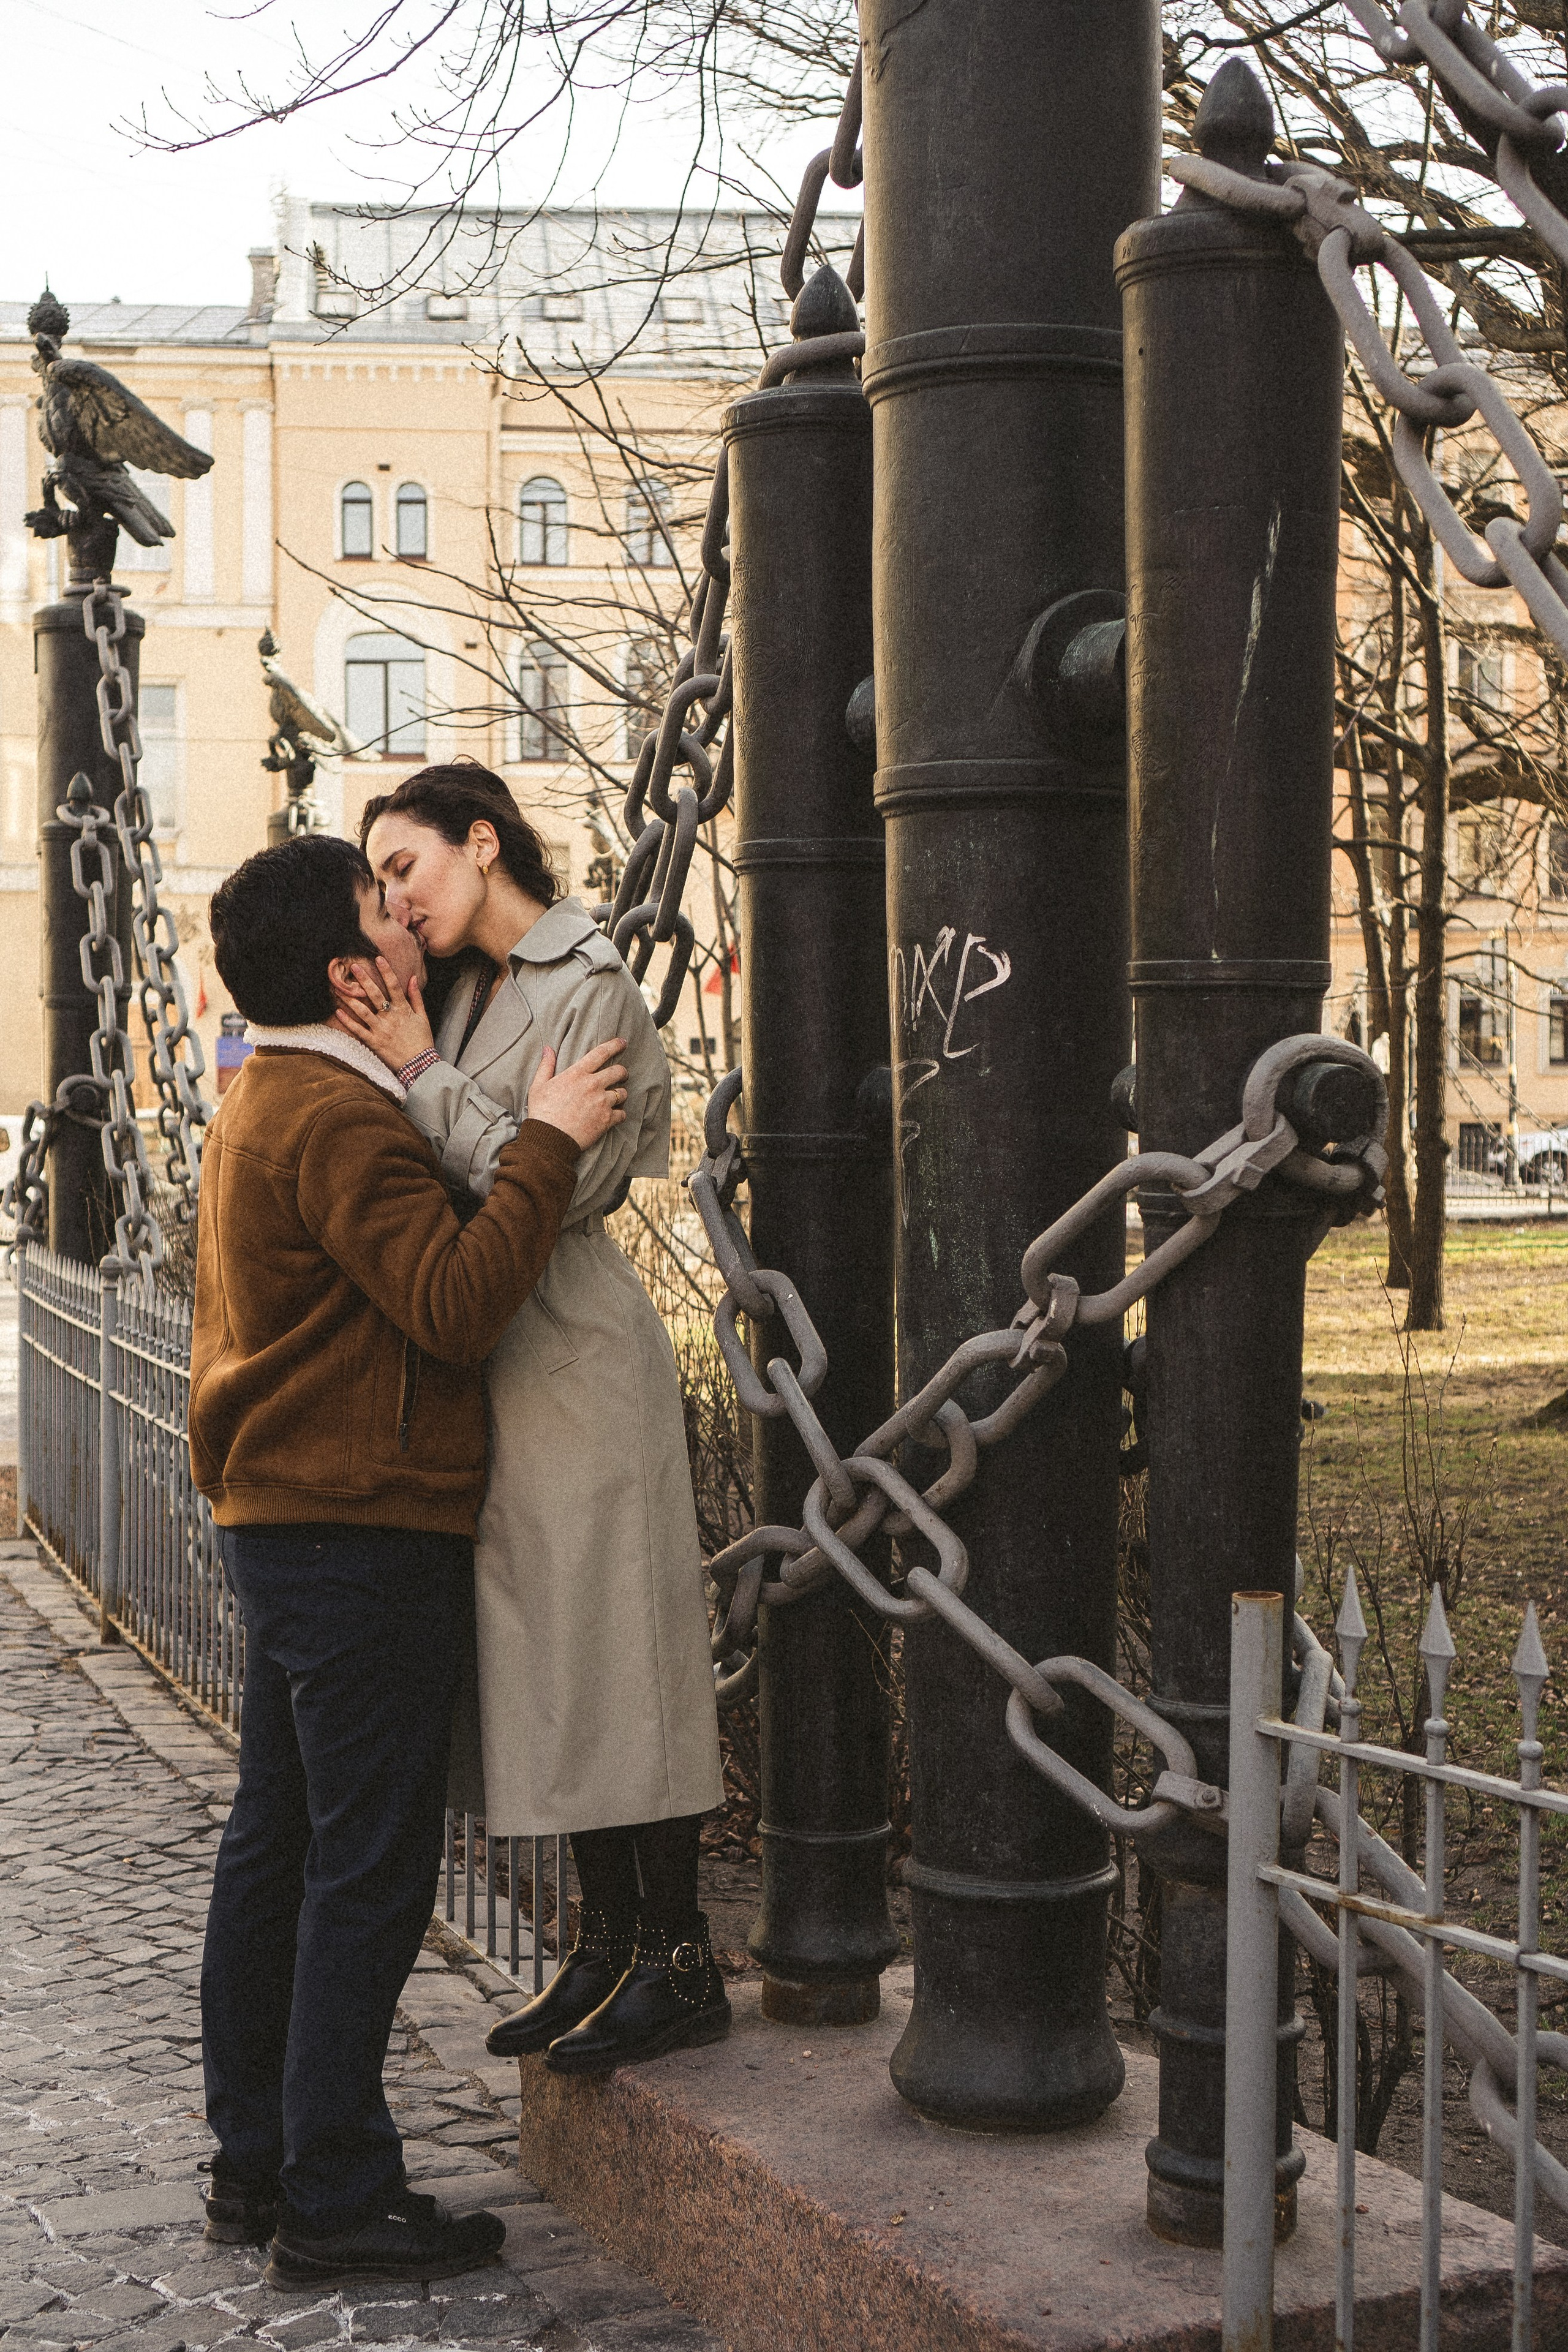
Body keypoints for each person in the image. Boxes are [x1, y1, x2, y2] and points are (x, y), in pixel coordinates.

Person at [190, 832, 628, 2291]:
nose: (404, 924)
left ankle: (257, 2161)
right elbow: (452, 1305)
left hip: (287, 1522)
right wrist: (545, 1138)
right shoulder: (339, 1119)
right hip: (360, 1531)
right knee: (365, 1870)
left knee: (279, 1846)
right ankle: (334, 2194)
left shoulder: (266, 1096)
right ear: (348, 972)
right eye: (380, 910)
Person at [339, 761, 729, 2077]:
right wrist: (428, 1063)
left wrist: (421, 1075)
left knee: (621, 1655)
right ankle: (606, 1945)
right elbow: (472, 1157)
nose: (396, 898)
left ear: (481, 841)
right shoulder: (455, 995)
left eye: (405, 866)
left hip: (573, 1360)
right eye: (379, 880)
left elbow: (559, 1181)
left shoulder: (588, 981)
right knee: (550, 1667)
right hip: (488, 1360)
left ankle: (680, 1958)